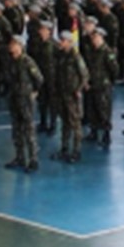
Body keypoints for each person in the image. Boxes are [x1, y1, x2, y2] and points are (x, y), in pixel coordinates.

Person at [6, 36, 43, 173]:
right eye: (11, 44)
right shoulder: (11, 61)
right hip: (14, 99)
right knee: (16, 130)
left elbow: (39, 78)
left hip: (25, 100)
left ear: (20, 46)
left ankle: (33, 159)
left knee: (28, 130)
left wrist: (34, 92)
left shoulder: (27, 62)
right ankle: (20, 157)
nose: (11, 47)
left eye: (14, 44)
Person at [52, 31, 89, 163]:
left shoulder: (75, 57)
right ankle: (64, 148)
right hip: (62, 93)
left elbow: (84, 75)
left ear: (69, 42)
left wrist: (78, 90)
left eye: (63, 41)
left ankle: (76, 150)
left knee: (75, 123)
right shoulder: (61, 55)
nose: (60, 43)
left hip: (72, 95)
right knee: (65, 123)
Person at [83, 28, 119, 148]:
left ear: (102, 38)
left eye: (97, 37)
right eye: (93, 38)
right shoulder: (90, 51)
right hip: (92, 84)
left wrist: (108, 82)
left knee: (104, 110)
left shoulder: (107, 52)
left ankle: (106, 134)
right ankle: (93, 132)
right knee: (92, 109)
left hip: (103, 86)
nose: (95, 40)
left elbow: (114, 70)